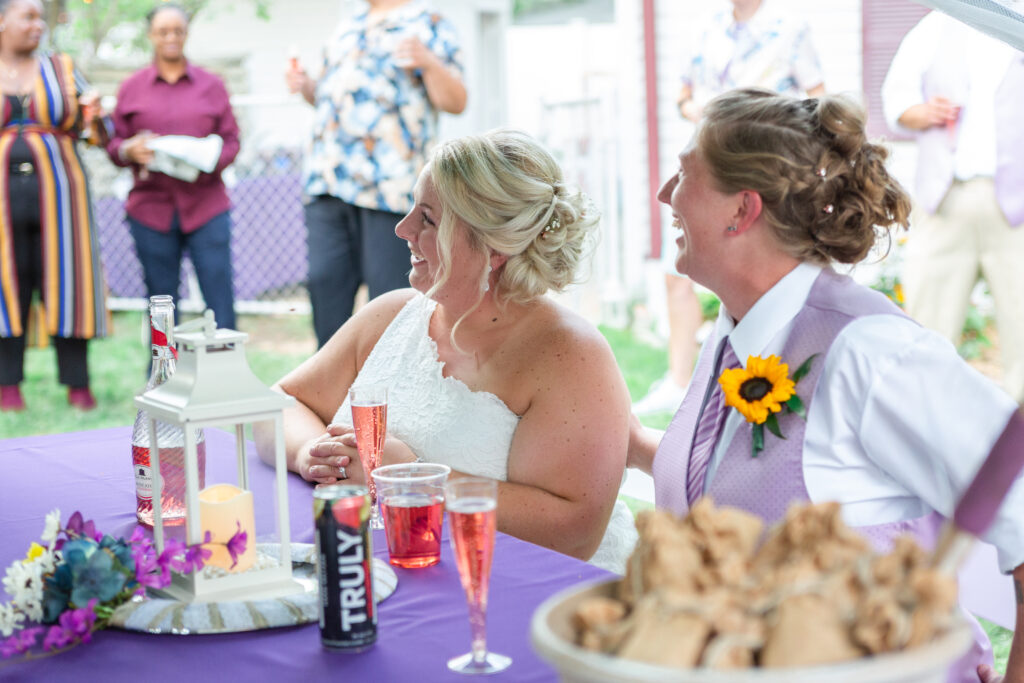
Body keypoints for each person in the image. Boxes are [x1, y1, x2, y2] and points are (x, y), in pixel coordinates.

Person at [627, 88, 1024, 682]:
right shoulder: (737, 328)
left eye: (683, 175)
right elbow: (738, 484)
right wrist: (629, 444)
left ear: (741, 209)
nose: (665, 195)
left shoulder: (871, 352)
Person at [256, 129, 638, 573]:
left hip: (540, 599)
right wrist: (312, 453)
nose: (402, 229)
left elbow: (574, 532)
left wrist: (416, 479)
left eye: (428, 219)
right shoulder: (390, 315)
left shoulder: (567, 355)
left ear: (493, 247)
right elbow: (279, 403)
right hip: (391, 572)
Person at [634, 0, 825, 416]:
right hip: (710, 166)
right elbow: (682, 97)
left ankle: (773, 374)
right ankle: (679, 380)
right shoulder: (706, 28)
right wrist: (706, 114)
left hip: (763, 169)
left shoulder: (790, 27)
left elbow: (817, 101)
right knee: (677, 271)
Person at [286, 0, 466, 349]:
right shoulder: (347, 25)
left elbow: (456, 101)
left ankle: (391, 394)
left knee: (390, 297)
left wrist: (428, 61)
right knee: (325, 286)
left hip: (390, 189)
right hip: (328, 182)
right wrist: (307, 85)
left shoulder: (427, 21)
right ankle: (330, 391)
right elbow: (333, 99)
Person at [882, 11, 1024, 404]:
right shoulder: (937, 24)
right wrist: (922, 112)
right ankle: (928, 428)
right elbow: (896, 98)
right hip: (946, 199)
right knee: (930, 322)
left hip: (1017, 205)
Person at [0, 0, 107, 412]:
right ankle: (8, 387)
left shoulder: (62, 68)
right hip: (3, 208)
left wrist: (95, 117)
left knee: (70, 286)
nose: (37, 25)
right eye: (27, 16)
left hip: (63, 199)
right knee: (6, 288)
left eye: (40, 18)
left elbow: (97, 132)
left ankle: (78, 386)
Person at [107, 3, 240, 331]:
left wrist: (206, 161)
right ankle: (162, 377)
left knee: (219, 298)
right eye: (163, 31)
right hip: (150, 211)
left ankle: (226, 376)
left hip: (207, 207)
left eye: (178, 31)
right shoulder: (131, 87)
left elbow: (232, 141)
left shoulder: (211, 84)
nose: (171, 37)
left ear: (186, 34)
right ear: (151, 35)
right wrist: (128, 150)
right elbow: (114, 146)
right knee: (160, 303)